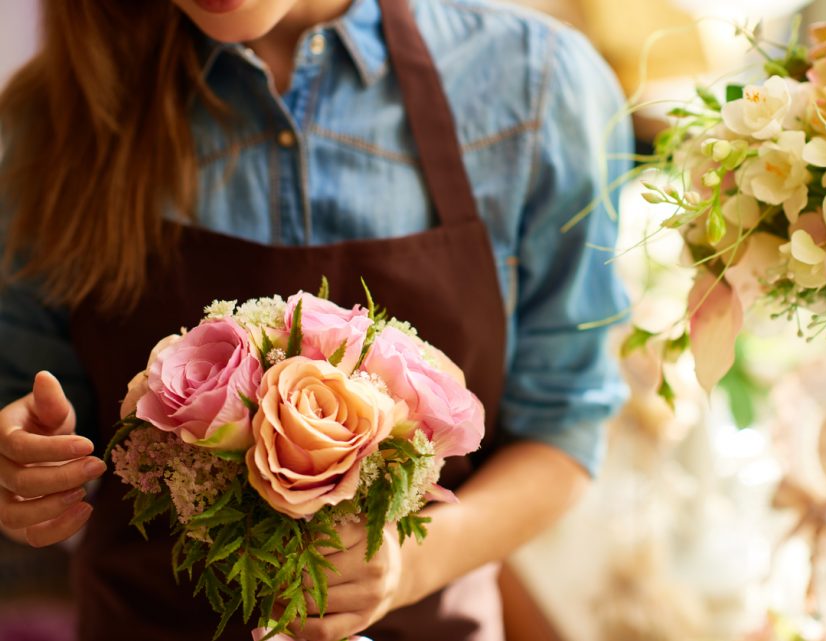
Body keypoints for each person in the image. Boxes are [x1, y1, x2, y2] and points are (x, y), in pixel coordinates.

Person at [0, 1, 632, 639]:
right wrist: (27, 464)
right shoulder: (53, 115)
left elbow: (565, 426)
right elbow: (26, 392)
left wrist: (412, 563)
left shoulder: (538, 84)